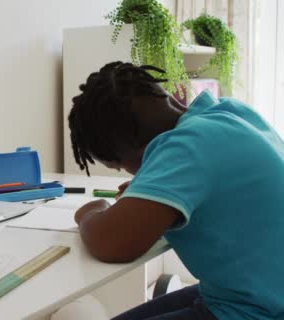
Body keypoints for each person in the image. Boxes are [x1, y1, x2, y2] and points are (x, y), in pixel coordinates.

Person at [67, 61, 284, 320]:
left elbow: (111, 244)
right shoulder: (229, 113)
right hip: (253, 292)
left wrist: (92, 212)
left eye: (121, 167)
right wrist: (148, 193)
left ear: (127, 153)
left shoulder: (185, 147)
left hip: (258, 310)